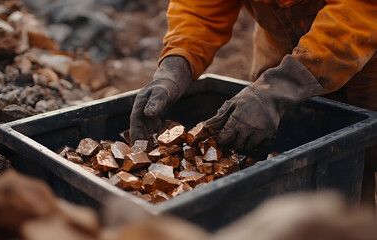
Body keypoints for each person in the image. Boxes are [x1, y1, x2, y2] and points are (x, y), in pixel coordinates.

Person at [129, 0, 377, 207]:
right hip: (280, 46)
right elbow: (198, 8)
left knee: (356, 169)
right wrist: (177, 64)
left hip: (366, 53)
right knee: (266, 154)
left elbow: (361, 8)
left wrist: (284, 84)